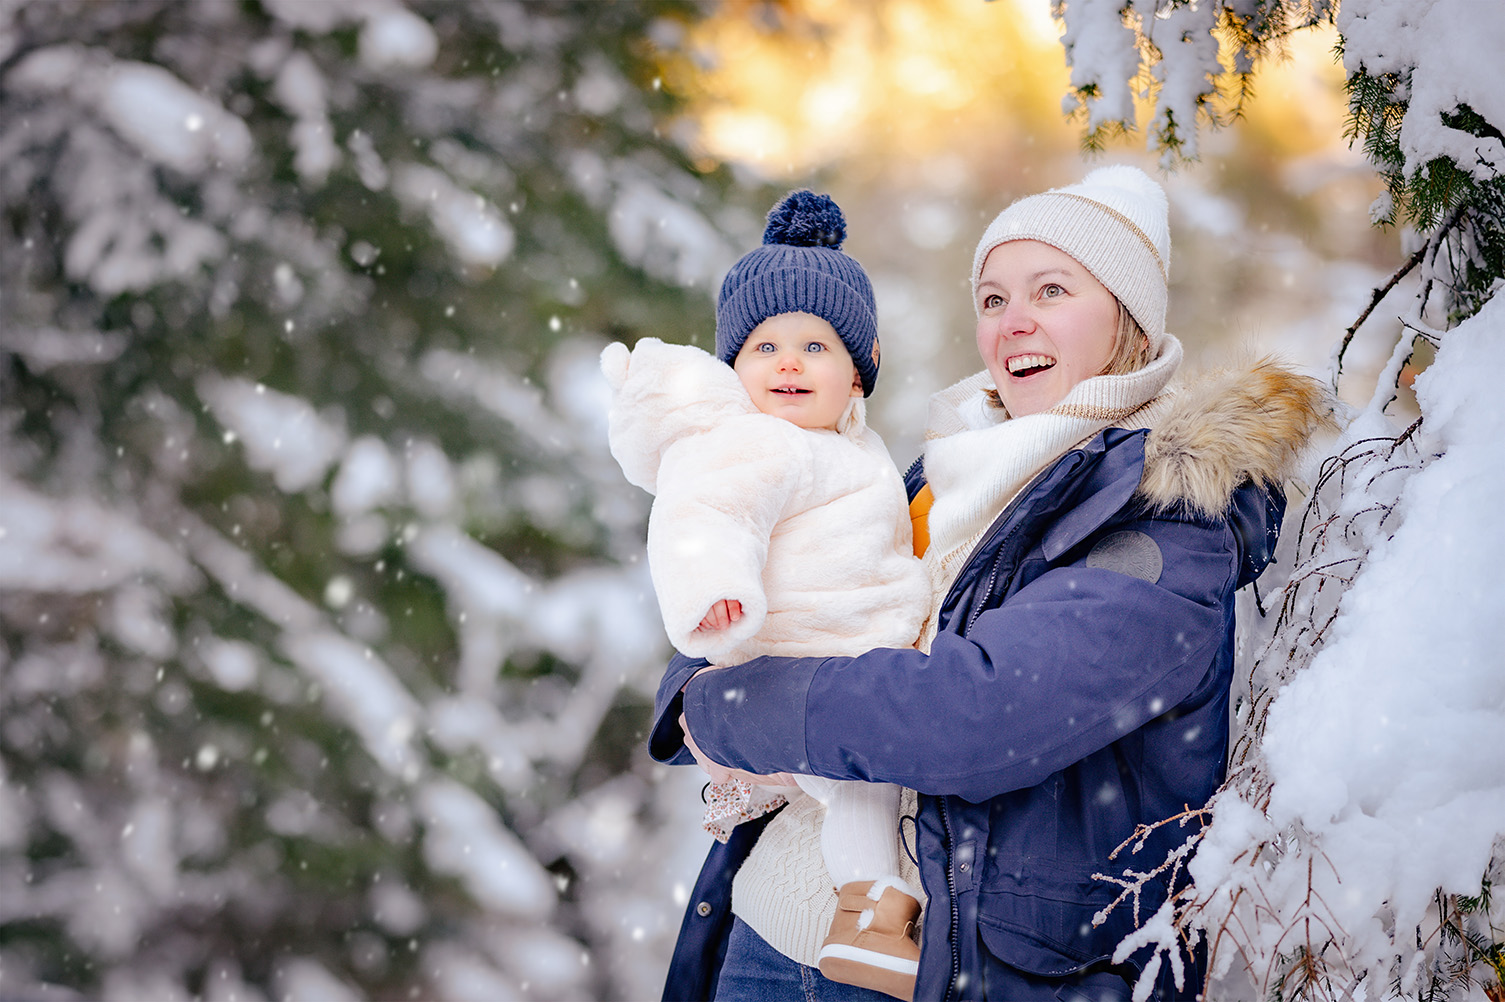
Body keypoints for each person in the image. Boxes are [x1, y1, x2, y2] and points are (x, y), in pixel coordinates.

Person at [651, 165, 1333, 1001]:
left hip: (946, 970)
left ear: (1128, 317)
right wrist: (696, 678)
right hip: (763, 933)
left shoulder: (1170, 517)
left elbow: (973, 714)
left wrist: (727, 708)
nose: (1015, 324)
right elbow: (800, 614)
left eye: (1051, 290)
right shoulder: (937, 476)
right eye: (993, 300)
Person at [603, 190, 933, 999]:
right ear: (732, 370)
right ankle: (874, 906)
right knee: (859, 783)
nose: (788, 362)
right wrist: (713, 595)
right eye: (763, 346)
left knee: (867, 777)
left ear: (858, 370)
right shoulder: (752, 444)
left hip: (854, 654)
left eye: (814, 345)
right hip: (800, 653)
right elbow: (707, 516)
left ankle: (876, 900)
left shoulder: (862, 452)